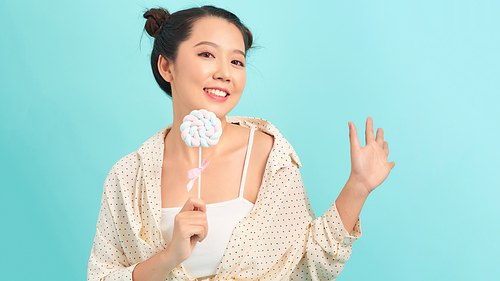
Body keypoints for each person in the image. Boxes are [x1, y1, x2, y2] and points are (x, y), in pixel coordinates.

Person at [87, 5, 395, 281]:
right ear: (167, 67)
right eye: (207, 54)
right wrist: (170, 257)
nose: (224, 73)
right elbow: (102, 276)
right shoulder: (128, 176)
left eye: (237, 61)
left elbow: (308, 264)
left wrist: (358, 186)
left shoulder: (269, 155)